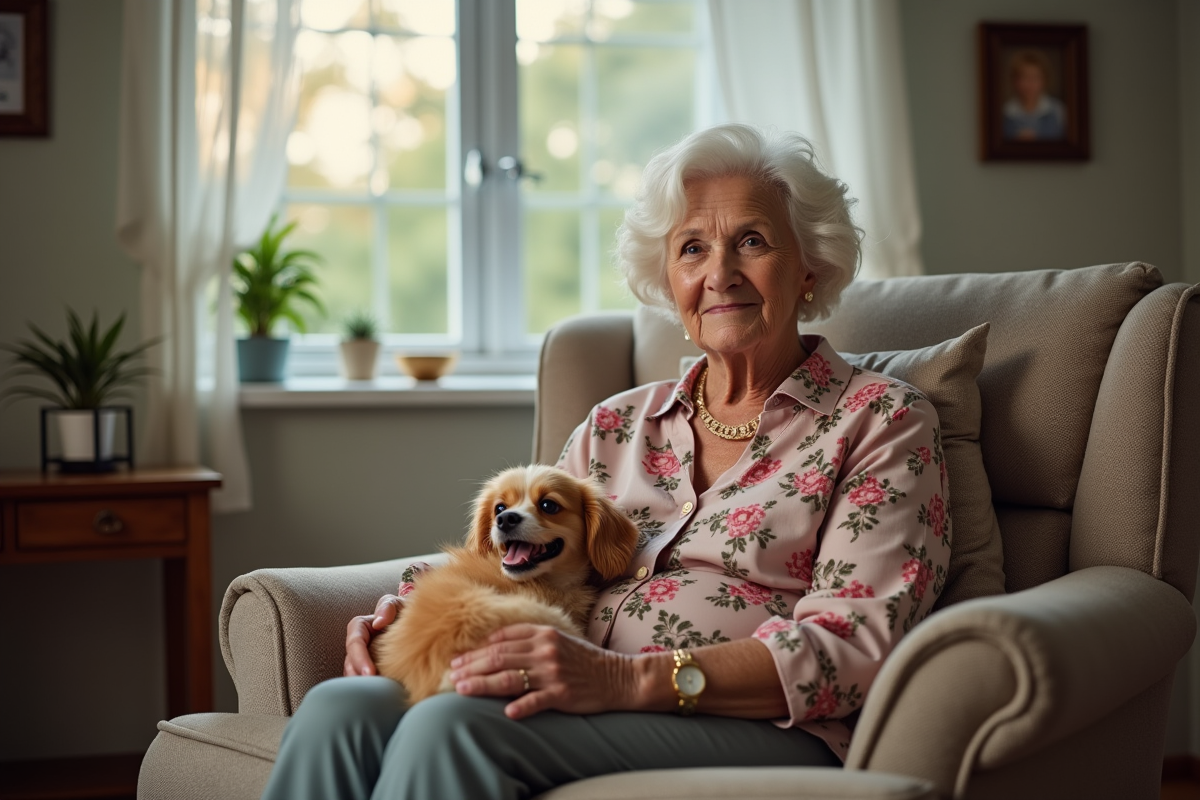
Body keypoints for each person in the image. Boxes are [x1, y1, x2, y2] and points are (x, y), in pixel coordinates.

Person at [260, 123, 950, 799]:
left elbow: (857, 644)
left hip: (761, 721)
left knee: (453, 727)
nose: (719, 274)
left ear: (810, 267)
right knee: (339, 712)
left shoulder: (879, 420)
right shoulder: (617, 424)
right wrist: (406, 608)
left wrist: (620, 680)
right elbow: (522, 559)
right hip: (572, 694)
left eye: (751, 240)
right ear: (668, 281)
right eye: (691, 249)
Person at [1002, 49, 1066, 141]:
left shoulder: (1059, 111)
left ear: (1045, 80)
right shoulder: (1004, 113)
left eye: (1035, 77)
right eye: (1024, 77)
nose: (1030, 84)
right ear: (1014, 81)